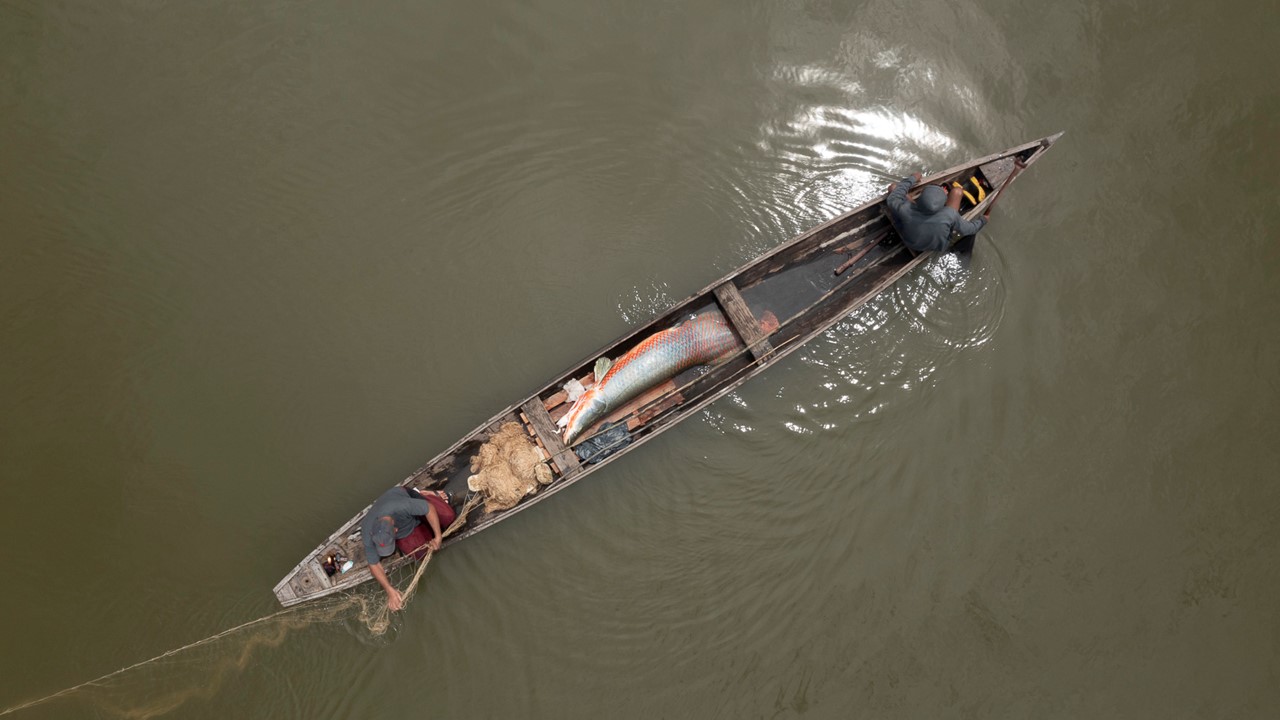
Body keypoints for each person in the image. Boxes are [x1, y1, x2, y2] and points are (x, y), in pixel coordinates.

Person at [360, 485, 456, 611]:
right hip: (407, 528)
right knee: (422, 553)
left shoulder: (400, 506)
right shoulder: (367, 530)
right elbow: (373, 564)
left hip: (406, 499)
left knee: (448, 517)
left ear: (395, 530)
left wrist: (438, 537)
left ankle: (426, 494)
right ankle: (422, 528)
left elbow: (429, 509)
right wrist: (389, 590)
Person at [884, 171, 990, 253]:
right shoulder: (949, 215)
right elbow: (969, 229)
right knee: (957, 191)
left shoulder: (905, 209)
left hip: (909, 240)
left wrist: (914, 177)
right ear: (943, 205)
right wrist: (983, 220)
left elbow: (893, 192)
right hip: (936, 246)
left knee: (894, 188)